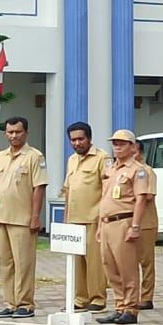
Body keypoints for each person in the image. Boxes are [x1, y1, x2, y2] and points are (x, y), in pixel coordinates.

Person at [0, 117, 48, 318]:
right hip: (1, 218)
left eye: (18, 132)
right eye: (10, 132)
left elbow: (39, 188)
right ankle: (10, 302)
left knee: (24, 263)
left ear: (26, 133)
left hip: (23, 219)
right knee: (5, 262)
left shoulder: (34, 156)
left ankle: (25, 303)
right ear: (6, 134)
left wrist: (35, 216)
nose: (14, 136)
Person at [95, 130, 153, 325]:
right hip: (107, 222)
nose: (117, 147)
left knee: (126, 268)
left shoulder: (137, 170)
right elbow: (104, 198)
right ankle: (119, 305)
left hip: (124, 221)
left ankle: (130, 308)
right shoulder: (111, 169)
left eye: (121, 143)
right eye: (115, 143)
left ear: (132, 146)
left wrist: (135, 226)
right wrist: (98, 226)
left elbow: (141, 200)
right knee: (110, 267)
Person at [62, 122, 110, 313]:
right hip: (74, 218)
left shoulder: (102, 158)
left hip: (93, 218)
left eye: (81, 139)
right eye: (73, 140)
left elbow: (107, 189)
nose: (77, 143)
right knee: (77, 262)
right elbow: (68, 190)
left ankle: (97, 298)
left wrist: (103, 216)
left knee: (95, 263)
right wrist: (66, 218)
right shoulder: (72, 160)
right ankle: (80, 298)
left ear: (89, 138)